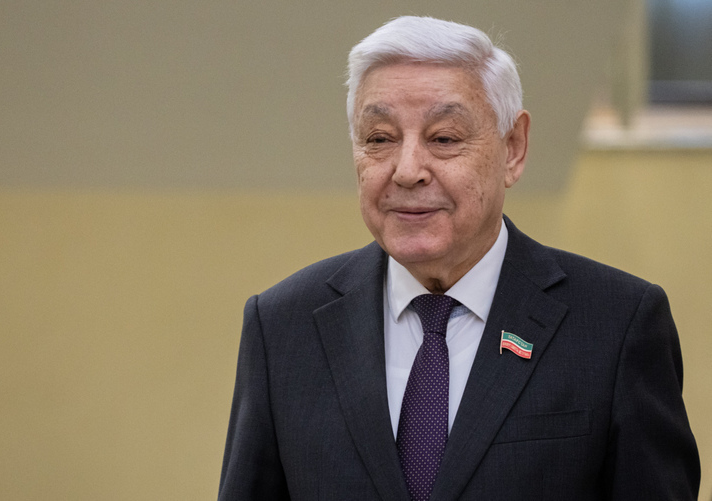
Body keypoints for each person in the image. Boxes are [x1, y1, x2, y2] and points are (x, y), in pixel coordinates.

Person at [218, 16, 700, 501]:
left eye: (444, 139)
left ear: (513, 149)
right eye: (379, 139)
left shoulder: (616, 325)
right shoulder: (282, 326)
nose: (407, 171)